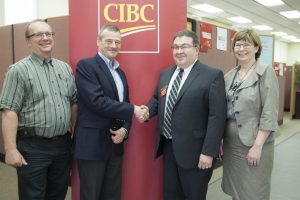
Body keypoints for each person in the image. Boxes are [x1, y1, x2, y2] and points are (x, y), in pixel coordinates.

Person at [143, 30, 227, 200]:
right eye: (175, 47)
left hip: (196, 152)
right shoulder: (166, 74)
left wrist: (208, 152)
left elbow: (217, 117)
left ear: (196, 48)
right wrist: (146, 111)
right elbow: (157, 100)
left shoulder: (212, 75)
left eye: (184, 46)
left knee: (193, 195)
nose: (179, 51)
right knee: (171, 195)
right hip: (168, 146)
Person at [0, 19, 77, 200]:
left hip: (62, 146)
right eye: (38, 34)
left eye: (49, 34)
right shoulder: (18, 71)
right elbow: (9, 111)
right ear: (28, 41)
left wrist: (72, 128)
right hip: (33, 147)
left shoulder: (64, 68)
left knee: (58, 194)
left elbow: (74, 102)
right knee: (33, 196)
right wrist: (10, 149)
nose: (45, 38)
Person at [73, 24, 146, 200]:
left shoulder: (120, 73)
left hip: (115, 144)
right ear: (98, 42)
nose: (114, 46)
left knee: (112, 195)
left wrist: (125, 130)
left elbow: (124, 104)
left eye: (117, 42)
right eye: (109, 41)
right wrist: (134, 110)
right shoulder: (86, 66)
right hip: (92, 145)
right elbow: (96, 102)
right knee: (91, 195)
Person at [220, 29, 279, 200]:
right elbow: (224, 110)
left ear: (256, 48)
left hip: (255, 141)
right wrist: (221, 139)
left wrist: (258, 146)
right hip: (231, 142)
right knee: (236, 188)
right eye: (237, 44)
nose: (241, 48)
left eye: (246, 44)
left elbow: (269, 112)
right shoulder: (229, 76)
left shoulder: (265, 73)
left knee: (253, 190)